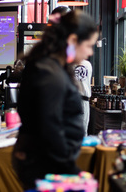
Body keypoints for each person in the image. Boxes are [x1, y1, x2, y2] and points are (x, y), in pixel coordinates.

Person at [12, 10, 99, 190]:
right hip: (46, 164)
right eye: (89, 45)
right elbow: (49, 126)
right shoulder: (50, 73)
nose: (90, 52)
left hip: (45, 161)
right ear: (73, 40)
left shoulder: (51, 65)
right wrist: (70, 168)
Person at [75, 59, 92, 136]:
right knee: (83, 131)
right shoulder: (87, 64)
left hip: (73, 99)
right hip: (83, 99)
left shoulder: (69, 64)